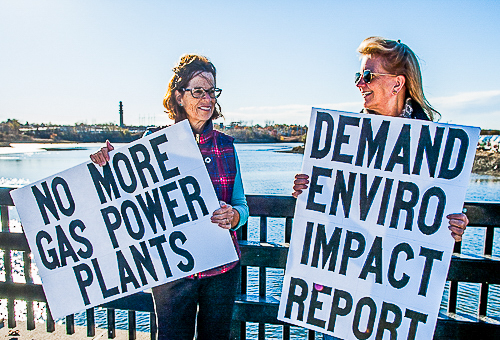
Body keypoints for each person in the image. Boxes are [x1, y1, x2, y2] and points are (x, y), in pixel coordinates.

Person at [292, 37, 468, 339]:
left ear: (398, 84)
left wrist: (453, 225)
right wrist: (308, 190)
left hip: (396, 298)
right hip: (343, 293)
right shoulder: (344, 140)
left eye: (368, 75)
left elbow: (433, 216)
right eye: (358, 76)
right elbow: (332, 210)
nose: (360, 84)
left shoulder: (433, 147)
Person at [90, 54, 249, 340]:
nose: (207, 98)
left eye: (211, 91)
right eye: (198, 91)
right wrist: (105, 163)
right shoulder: (152, 143)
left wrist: (235, 217)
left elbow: (242, 206)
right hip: (173, 273)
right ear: (178, 97)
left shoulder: (226, 147)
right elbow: (124, 192)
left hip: (221, 270)